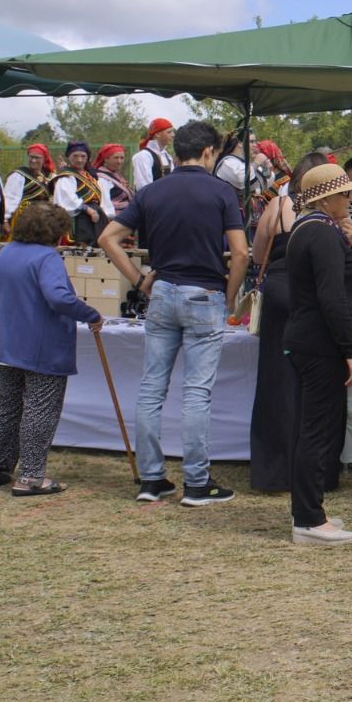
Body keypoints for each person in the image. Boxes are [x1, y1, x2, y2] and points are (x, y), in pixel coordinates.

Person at [98, 120, 249, 507]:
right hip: (205, 291)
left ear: (176, 150)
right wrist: (229, 297)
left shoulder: (151, 191)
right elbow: (242, 252)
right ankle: (196, 483)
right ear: (209, 152)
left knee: (151, 389)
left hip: (163, 291)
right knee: (196, 393)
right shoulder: (221, 191)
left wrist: (138, 278)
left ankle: (152, 479)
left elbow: (107, 238)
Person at [0, 203, 103, 496]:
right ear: (57, 233)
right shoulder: (47, 258)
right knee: (39, 408)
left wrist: (7, 316)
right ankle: (30, 476)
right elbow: (58, 298)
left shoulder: (5, 253)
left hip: (6, 343)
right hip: (41, 345)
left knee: (7, 406)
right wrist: (90, 313)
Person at [281, 163, 352, 545]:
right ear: (326, 198)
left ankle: (310, 508)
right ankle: (309, 518)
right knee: (318, 430)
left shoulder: (307, 230)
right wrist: (350, 350)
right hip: (321, 344)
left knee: (313, 427)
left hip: (309, 339)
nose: (350, 199)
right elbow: (332, 296)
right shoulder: (320, 234)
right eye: (344, 194)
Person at [248, 151, 327, 493]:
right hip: (310, 294)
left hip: (278, 291)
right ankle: (309, 469)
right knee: (313, 381)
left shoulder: (278, 206)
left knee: (274, 382)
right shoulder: (325, 213)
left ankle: (272, 470)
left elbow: (257, 251)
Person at [51, 141, 104, 246]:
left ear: (87, 158)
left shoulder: (91, 177)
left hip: (95, 219)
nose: (79, 160)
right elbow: (67, 199)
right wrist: (87, 209)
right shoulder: (66, 176)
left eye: (83, 156)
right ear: (69, 157)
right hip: (77, 221)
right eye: (75, 156)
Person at [3, 144, 54, 235]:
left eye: (37, 158)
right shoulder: (19, 175)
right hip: (23, 220)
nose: (33, 160)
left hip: (45, 221)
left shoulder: (50, 177)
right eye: (31, 157)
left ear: (44, 159)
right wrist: (5, 220)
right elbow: (9, 198)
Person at [132, 118, 175, 190]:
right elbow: (143, 187)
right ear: (157, 134)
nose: (173, 135)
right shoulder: (144, 156)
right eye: (169, 132)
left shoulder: (167, 156)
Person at [94, 144, 134, 218]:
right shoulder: (101, 178)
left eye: (122, 158)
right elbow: (104, 203)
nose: (119, 161)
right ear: (106, 159)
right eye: (116, 158)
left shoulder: (114, 175)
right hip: (115, 219)